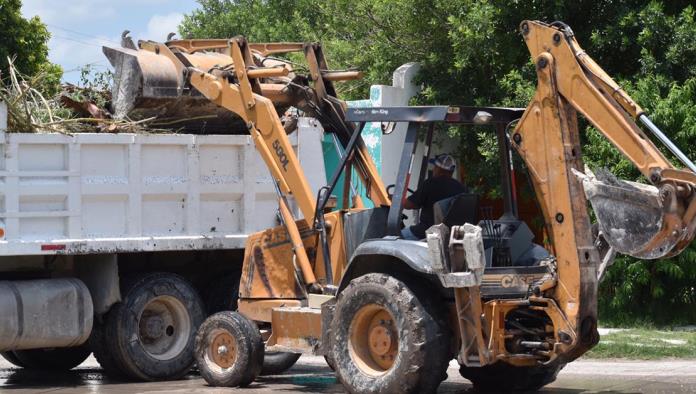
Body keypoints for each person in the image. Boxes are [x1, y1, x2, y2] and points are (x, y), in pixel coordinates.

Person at [401, 154, 467, 240]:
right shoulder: (460, 187)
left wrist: (397, 200)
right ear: (451, 172)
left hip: (427, 230)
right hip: (451, 231)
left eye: (435, 167)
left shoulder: (430, 184)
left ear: (438, 169)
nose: (433, 169)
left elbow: (409, 205)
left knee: (397, 236)